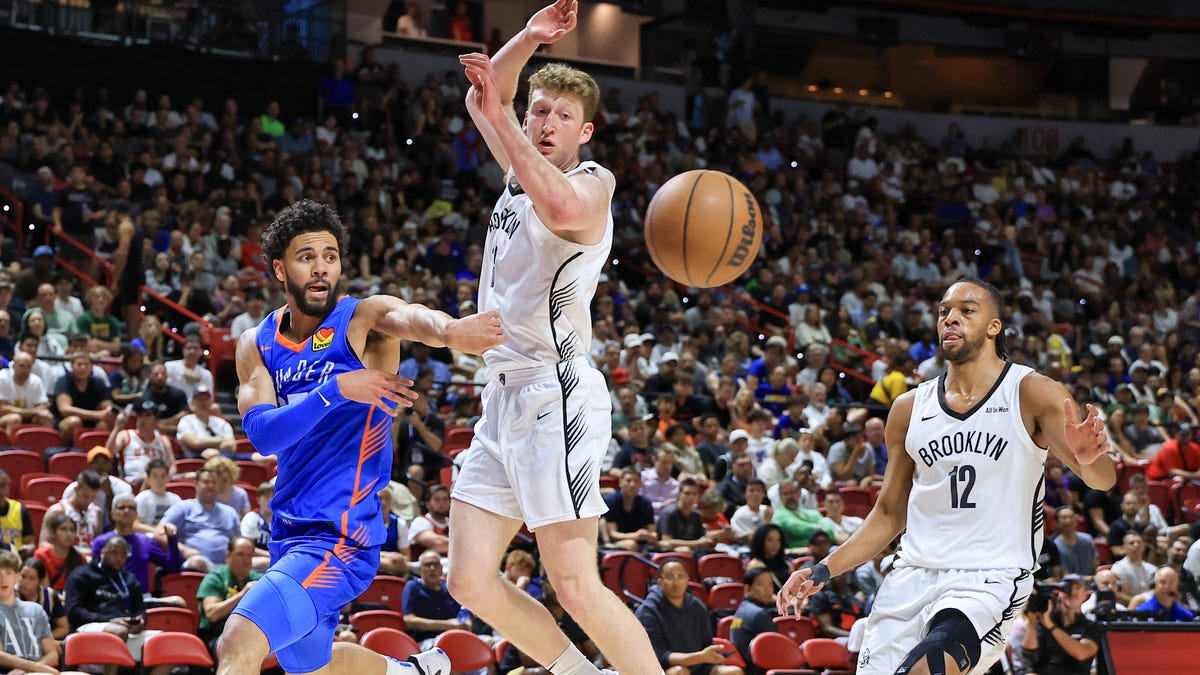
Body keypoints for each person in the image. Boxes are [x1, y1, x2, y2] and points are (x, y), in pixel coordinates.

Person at [444, 4, 662, 673]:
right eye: (536, 110)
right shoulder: (518, 170)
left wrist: (502, 114)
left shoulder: (592, 183)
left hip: (556, 396)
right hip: (502, 398)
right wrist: (530, 39)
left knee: (574, 583)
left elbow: (559, 207)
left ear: (585, 131)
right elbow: (487, 97)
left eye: (559, 116)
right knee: (469, 578)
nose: (542, 123)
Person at [214, 197, 502, 675]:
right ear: (280, 270)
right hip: (288, 534)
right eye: (307, 257)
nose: (321, 268)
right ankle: (413, 672)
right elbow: (263, 435)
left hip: (342, 539)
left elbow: (412, 318)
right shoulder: (257, 343)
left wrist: (453, 331)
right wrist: (335, 390)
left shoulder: (360, 320)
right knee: (314, 670)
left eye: (330, 256)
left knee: (238, 642)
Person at [777, 279, 1115, 675]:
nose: (950, 318)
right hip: (910, 577)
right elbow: (888, 514)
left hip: (987, 578)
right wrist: (824, 568)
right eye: (943, 312)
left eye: (966, 310)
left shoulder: (1031, 393)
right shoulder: (907, 408)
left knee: (927, 668)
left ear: (994, 326)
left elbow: (1102, 481)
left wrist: (1090, 457)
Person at [65, 537, 169, 675]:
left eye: (123, 554)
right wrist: (108, 620)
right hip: (89, 628)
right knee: (118, 631)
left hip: (124, 629)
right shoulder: (82, 575)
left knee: (165, 643)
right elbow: (74, 612)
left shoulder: (128, 579)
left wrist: (140, 620)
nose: (119, 558)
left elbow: (140, 608)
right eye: (114, 552)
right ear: (103, 552)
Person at [635, 560, 744, 675]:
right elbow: (660, 656)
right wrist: (699, 657)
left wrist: (714, 655)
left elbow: (707, 642)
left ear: (687, 579)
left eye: (680, 576)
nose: (676, 582)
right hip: (664, 669)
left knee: (734, 672)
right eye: (670, 577)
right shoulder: (648, 611)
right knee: (679, 672)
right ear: (660, 582)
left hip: (700, 666)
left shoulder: (696, 606)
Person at [91, 495, 184, 599]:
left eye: (131, 508)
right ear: (112, 514)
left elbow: (174, 567)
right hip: (110, 599)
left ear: (136, 515)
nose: (127, 511)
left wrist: (172, 539)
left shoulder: (146, 541)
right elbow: (93, 575)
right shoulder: (100, 542)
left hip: (142, 599)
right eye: (122, 507)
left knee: (177, 601)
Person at [161, 468, 241, 571]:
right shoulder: (183, 508)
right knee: (197, 562)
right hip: (198, 562)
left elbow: (239, 542)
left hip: (228, 566)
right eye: (206, 482)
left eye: (214, 482)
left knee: (263, 562)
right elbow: (159, 533)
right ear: (197, 484)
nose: (211, 486)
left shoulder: (230, 512)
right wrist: (184, 550)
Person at [1019, 575, 1100, 675]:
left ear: (1085, 595)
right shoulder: (1045, 620)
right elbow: (1029, 656)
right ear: (1059, 593)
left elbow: (1082, 653)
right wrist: (1032, 622)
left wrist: (1051, 626)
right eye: (1067, 588)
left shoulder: (1091, 626)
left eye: (1077, 588)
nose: (1072, 592)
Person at [0, 549, 60, 675]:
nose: (3, 579)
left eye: (8, 573)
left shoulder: (36, 609)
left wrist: (31, 670)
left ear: (16, 577)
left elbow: (52, 654)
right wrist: (34, 669)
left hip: (38, 671)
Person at [198, 537, 263, 653]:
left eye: (249, 556)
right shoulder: (214, 579)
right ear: (228, 555)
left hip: (249, 635)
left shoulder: (257, 580)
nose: (246, 560)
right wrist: (243, 594)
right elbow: (212, 614)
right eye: (240, 555)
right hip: (216, 636)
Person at [107, 399, 175, 485]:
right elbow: (108, 454)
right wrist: (117, 428)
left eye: (147, 416)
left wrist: (166, 478)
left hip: (159, 483)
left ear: (156, 421)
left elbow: (172, 466)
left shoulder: (163, 440)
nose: (142, 419)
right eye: (140, 415)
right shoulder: (126, 435)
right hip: (133, 483)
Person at [729, 567, 778, 669]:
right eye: (761, 585)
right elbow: (778, 652)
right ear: (748, 589)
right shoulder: (759, 614)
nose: (768, 589)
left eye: (770, 584)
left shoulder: (741, 610)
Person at [601, 467, 658, 551]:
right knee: (631, 544)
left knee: (664, 545)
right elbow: (613, 534)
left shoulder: (646, 504)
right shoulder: (610, 501)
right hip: (615, 543)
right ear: (620, 482)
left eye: (636, 481)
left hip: (641, 543)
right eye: (628, 480)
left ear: (640, 484)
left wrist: (651, 536)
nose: (632, 485)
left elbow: (652, 531)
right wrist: (636, 536)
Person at [0, 351, 54, 436]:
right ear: (13, 366)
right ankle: (10, 448)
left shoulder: (36, 380)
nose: (25, 370)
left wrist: (28, 412)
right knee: (14, 419)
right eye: (21, 366)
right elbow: (3, 409)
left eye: (28, 366)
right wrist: (30, 411)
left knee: (46, 417)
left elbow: (43, 406)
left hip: (29, 416)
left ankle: (45, 448)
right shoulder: (2, 378)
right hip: (5, 418)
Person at [17, 557, 69, 639]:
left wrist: (44, 639)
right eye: (23, 576)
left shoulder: (50, 596)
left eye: (31, 578)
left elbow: (64, 628)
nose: (25, 582)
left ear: (40, 582)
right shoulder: (10, 594)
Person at [135, 459, 181, 527]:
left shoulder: (176, 499)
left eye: (163, 476)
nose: (159, 480)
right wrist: (156, 532)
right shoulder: (141, 498)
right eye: (155, 476)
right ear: (148, 479)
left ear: (168, 478)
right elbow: (136, 525)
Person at [410, 484, 451, 556]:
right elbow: (437, 544)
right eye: (437, 500)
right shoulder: (420, 522)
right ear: (428, 503)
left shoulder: (453, 523)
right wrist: (459, 543)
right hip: (427, 566)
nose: (442, 503)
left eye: (445, 499)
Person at [0, 470, 34, 555]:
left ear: (8, 486)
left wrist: (25, 551)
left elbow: (30, 543)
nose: (0, 489)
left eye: (3, 485)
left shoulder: (19, 509)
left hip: (15, 560)